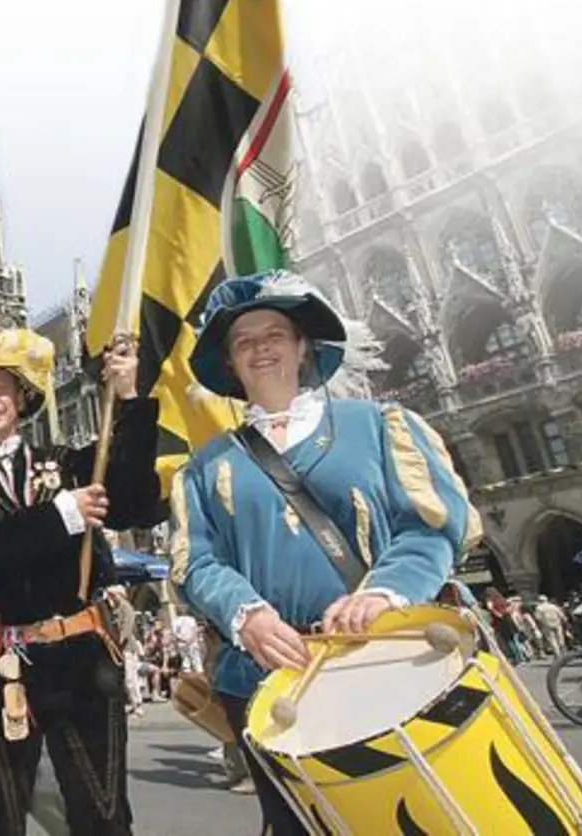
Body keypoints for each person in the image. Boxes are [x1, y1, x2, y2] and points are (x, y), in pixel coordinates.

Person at [170, 270, 479, 835]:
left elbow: (434, 526)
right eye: (243, 342)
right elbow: (197, 562)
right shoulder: (205, 466)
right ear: (230, 363)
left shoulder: (379, 425)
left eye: (274, 335)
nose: (260, 349)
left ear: (303, 345)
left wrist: (385, 592)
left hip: (385, 659)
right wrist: (246, 616)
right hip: (268, 682)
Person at [0, 327, 162, 836]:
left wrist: (131, 400)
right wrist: (61, 517)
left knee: (103, 812)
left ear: (22, 397)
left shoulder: (66, 463)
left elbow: (134, 502)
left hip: (81, 662)